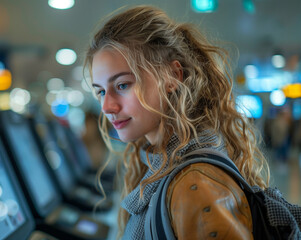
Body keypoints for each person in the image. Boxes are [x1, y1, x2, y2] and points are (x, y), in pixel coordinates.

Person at [84, 5, 270, 239]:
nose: (107, 107)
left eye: (122, 85)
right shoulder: (160, 163)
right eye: (101, 92)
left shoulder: (195, 184)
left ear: (173, 76)